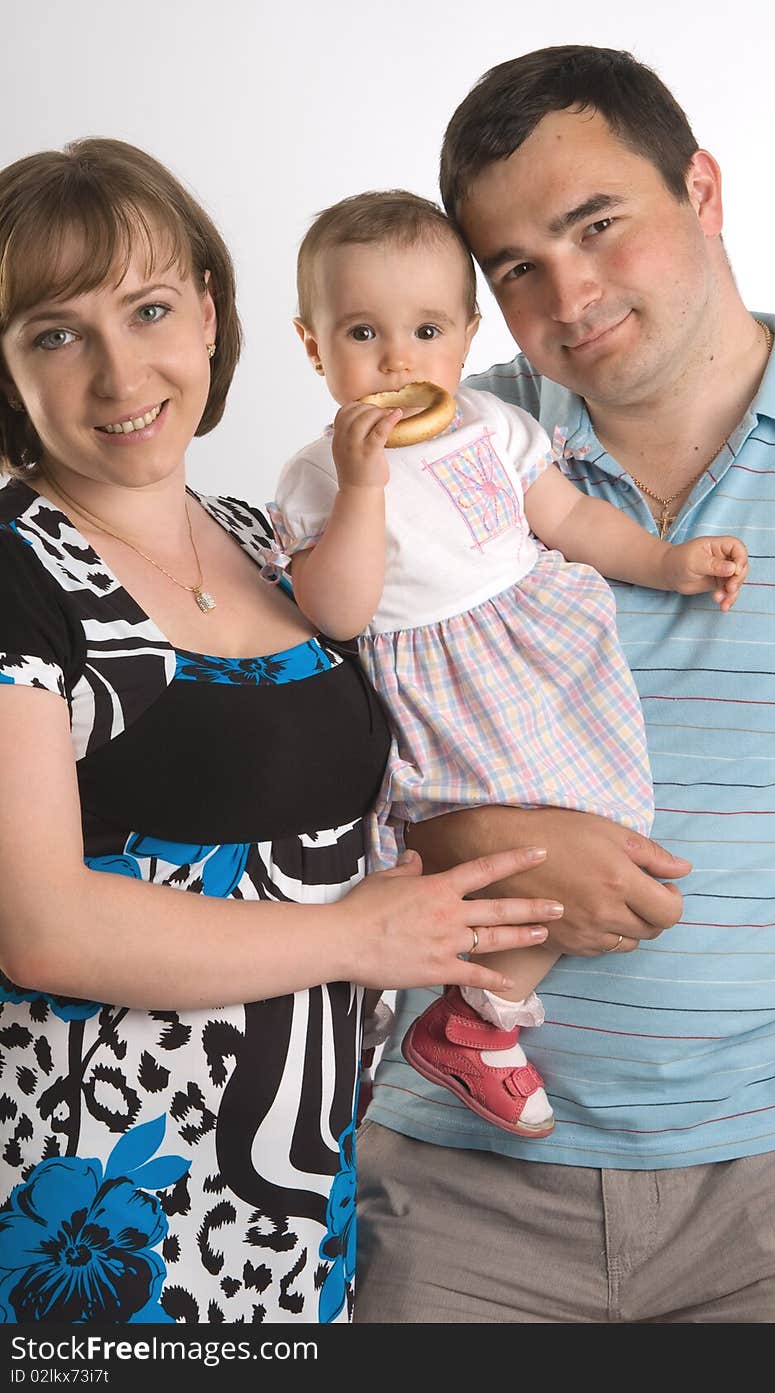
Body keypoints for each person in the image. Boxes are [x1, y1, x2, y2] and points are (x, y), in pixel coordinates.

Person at [354, 45, 775, 1323]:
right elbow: (289, 765)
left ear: (700, 187)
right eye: (517, 266)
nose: (569, 291)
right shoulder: (436, 455)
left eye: (597, 225)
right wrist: (479, 845)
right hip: (457, 1185)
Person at [0, 137, 560, 1326]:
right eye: (55, 333)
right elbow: (40, 927)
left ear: (208, 312)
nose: (118, 372)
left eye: (149, 309)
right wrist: (356, 935)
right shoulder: (15, 571)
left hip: (294, 1192)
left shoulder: (269, 537)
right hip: (90, 1200)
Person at [272, 188, 747, 1139]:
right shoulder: (321, 472)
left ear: (465, 336)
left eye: (426, 329)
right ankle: (474, 1026)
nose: (398, 360)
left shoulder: (495, 425)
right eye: (363, 333)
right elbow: (336, 608)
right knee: (510, 856)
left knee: (610, 826)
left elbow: (568, 519)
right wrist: (363, 486)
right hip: (436, 687)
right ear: (315, 347)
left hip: (534, 658)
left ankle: (468, 1023)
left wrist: (667, 560)